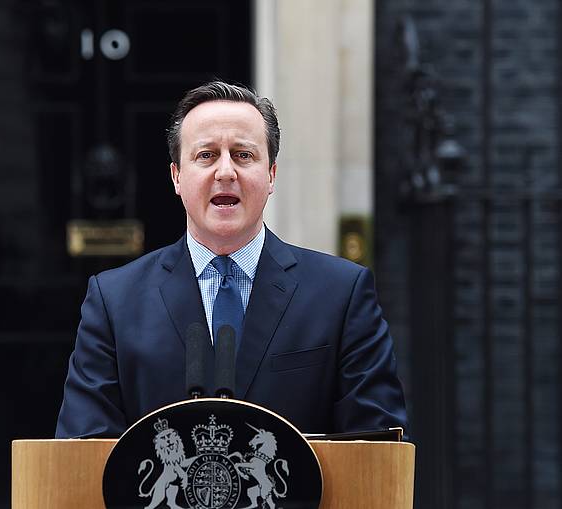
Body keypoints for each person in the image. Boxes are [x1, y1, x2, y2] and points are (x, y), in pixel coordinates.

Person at [56, 81, 407, 438]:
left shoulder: (341, 294)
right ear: (177, 176)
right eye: (206, 155)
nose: (225, 172)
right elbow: (82, 450)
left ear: (271, 174)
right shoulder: (114, 300)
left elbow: (376, 448)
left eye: (243, 155)